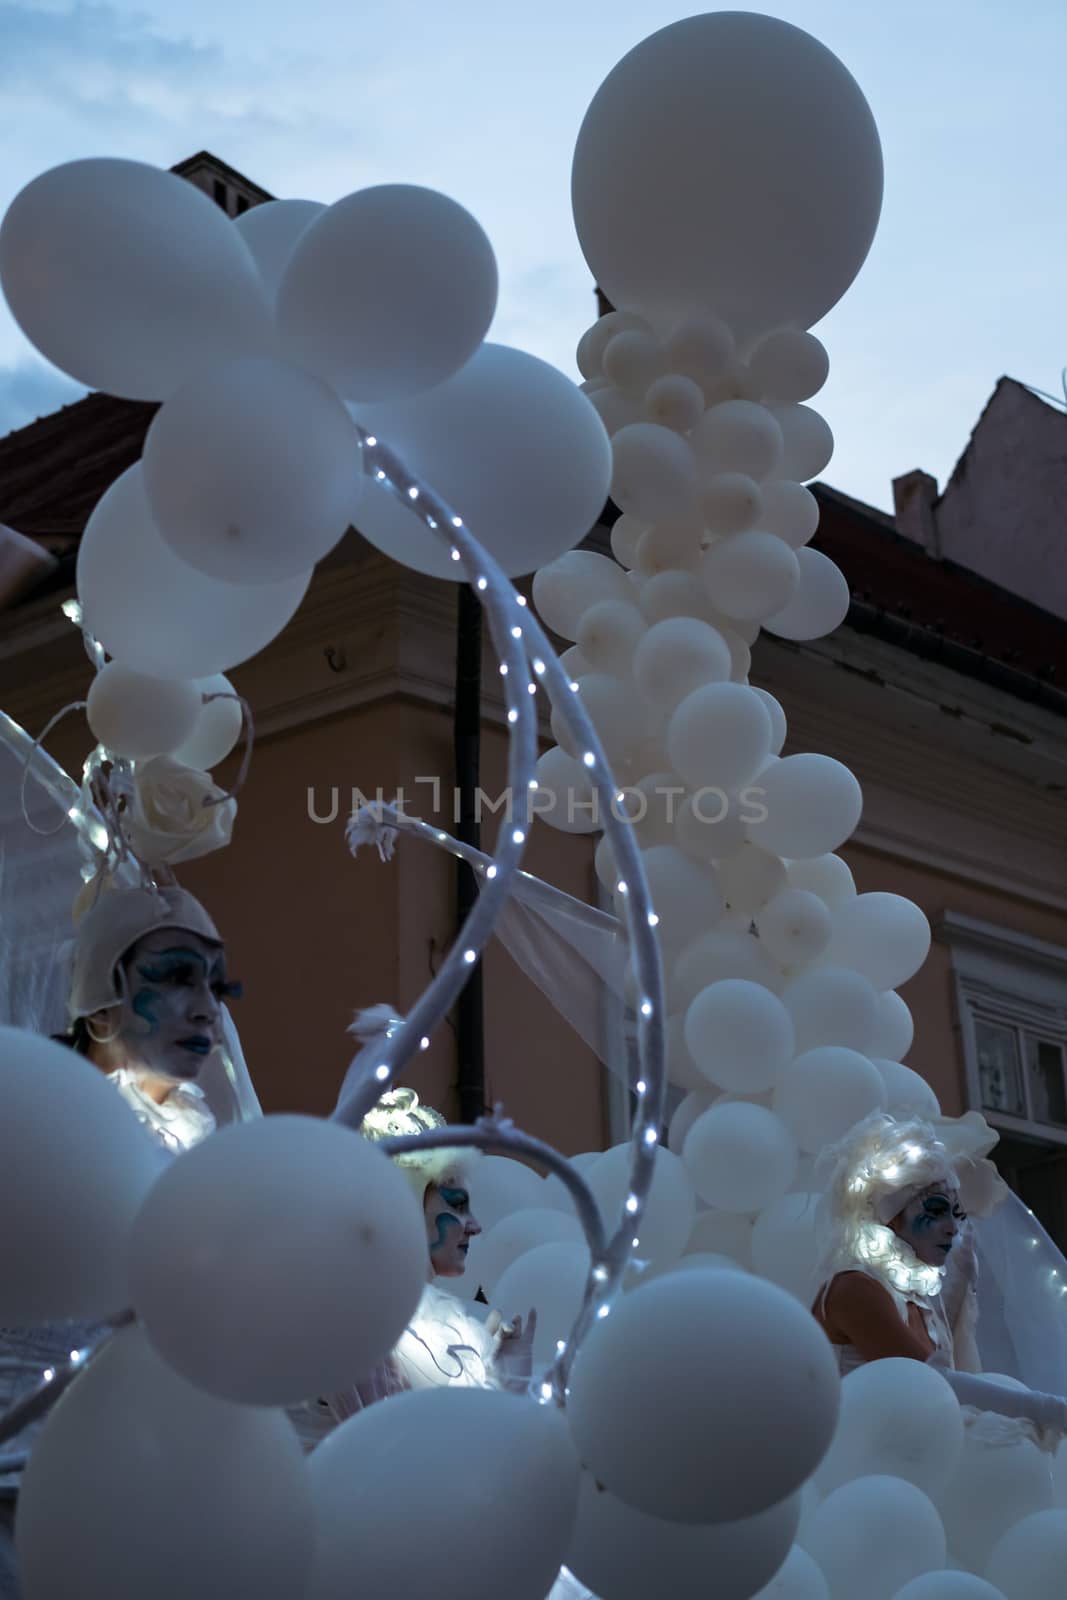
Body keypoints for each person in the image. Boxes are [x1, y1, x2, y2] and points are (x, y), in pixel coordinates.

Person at [0, 882, 240, 1598]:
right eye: (172, 978)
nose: (206, 1006)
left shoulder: (196, 1156)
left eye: (216, 984)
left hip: (140, 1509)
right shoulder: (34, 1122)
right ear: (100, 1003)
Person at [812, 1111, 1067, 1442]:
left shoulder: (918, 1299)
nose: (952, 1226)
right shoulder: (855, 1288)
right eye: (934, 1210)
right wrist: (1050, 1411)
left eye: (956, 1213)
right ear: (889, 1217)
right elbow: (932, 1386)